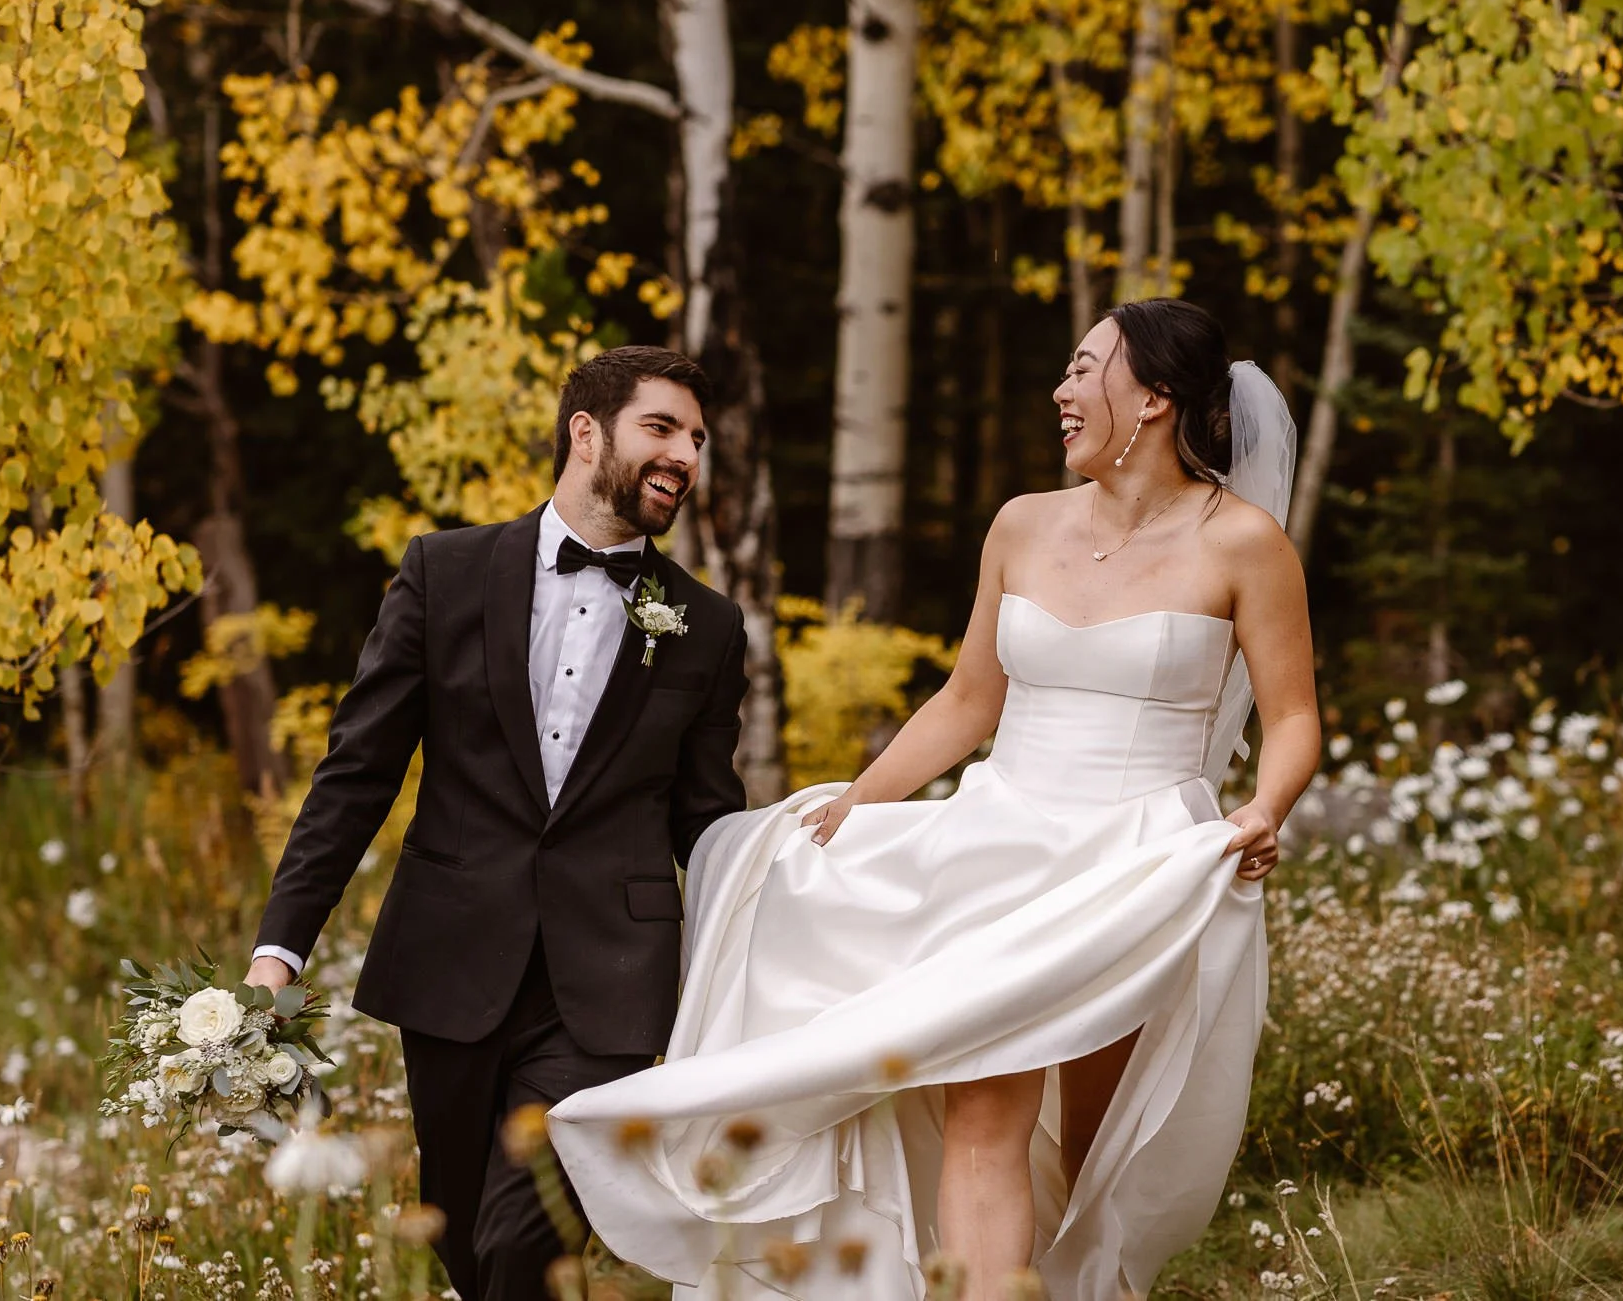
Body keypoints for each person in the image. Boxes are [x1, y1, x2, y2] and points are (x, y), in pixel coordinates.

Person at [549, 298, 1320, 1301]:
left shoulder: (1244, 544)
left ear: (1155, 398)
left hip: (1136, 867)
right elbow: (966, 702)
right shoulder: (1021, 525)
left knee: (1097, 1149)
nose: (1062, 389)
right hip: (994, 851)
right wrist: (857, 803)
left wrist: (1262, 809)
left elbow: (1292, 718)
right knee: (982, 1107)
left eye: (1085, 369)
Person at [242, 346, 751, 1301]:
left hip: (606, 983)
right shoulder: (444, 571)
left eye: (697, 438)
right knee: (464, 1234)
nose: (686, 453)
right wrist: (281, 949)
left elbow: (708, 817)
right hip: (451, 960)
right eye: (663, 427)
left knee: (529, 1234)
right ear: (586, 431)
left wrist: (793, 900)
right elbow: (358, 772)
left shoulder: (707, 625)